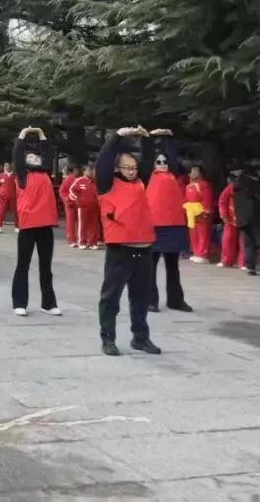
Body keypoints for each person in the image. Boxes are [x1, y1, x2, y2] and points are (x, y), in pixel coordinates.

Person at [95, 127, 162, 356]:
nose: (132, 172)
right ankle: (108, 339)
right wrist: (118, 136)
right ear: (117, 168)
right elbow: (103, 160)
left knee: (140, 298)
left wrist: (147, 139)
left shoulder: (141, 182)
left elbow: (148, 161)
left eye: (134, 168)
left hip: (144, 247)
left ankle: (140, 338)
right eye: (127, 168)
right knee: (111, 297)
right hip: (119, 249)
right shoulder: (107, 184)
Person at [9, 127, 61, 317]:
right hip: (28, 226)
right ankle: (19, 302)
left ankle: (48, 303)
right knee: (23, 265)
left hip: (45, 225)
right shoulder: (22, 175)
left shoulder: (45, 173)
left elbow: (48, 154)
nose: (33, 158)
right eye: (29, 156)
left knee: (46, 267)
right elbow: (17, 155)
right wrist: (22, 134)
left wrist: (41, 134)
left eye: (36, 156)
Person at [143, 130, 194, 313]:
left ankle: (175, 301)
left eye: (165, 162)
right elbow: (147, 155)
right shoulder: (148, 175)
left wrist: (169, 138)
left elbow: (172, 156)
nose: (162, 164)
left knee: (173, 267)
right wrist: (149, 137)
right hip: (153, 227)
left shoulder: (173, 174)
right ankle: (150, 301)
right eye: (158, 162)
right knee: (150, 267)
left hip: (173, 226)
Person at [234, 167, 260, 275]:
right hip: (257, 217)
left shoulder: (237, 186)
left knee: (248, 244)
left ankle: (250, 267)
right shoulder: (254, 185)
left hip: (243, 220)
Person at [185, 165, 213, 263]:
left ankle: (203, 254)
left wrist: (206, 211)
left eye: (196, 171)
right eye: (192, 171)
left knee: (203, 233)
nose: (193, 173)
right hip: (191, 212)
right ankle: (196, 252)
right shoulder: (188, 186)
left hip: (201, 211)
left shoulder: (204, 185)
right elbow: (186, 199)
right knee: (193, 233)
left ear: (201, 173)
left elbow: (207, 198)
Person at [70, 164, 101, 250]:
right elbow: (71, 190)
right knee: (83, 225)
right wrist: (78, 201)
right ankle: (82, 242)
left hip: (95, 208)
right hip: (83, 207)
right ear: (84, 172)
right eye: (89, 170)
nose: (91, 172)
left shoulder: (96, 182)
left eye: (92, 171)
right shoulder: (79, 181)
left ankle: (93, 243)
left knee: (94, 226)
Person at [218, 174, 243, 268]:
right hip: (230, 219)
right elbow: (222, 200)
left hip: (245, 219)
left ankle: (244, 263)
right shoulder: (230, 187)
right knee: (227, 239)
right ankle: (226, 261)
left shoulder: (252, 186)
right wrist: (224, 215)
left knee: (244, 241)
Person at [59, 165, 81, 247]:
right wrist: (66, 200)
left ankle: (79, 239)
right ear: (72, 171)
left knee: (79, 221)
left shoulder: (80, 178)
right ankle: (72, 240)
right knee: (71, 221)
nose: (77, 171)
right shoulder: (69, 179)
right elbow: (62, 191)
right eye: (76, 170)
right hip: (70, 203)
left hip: (78, 203)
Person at [0, 163, 17, 233]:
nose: (7, 167)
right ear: (3, 167)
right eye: (5, 166)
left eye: (8, 166)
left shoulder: (15, 176)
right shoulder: (0, 176)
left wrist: (16, 194)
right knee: (1, 211)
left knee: (16, 212)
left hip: (13, 197)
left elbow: (18, 186)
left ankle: (17, 227)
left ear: (11, 167)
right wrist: (0, 193)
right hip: (3, 197)